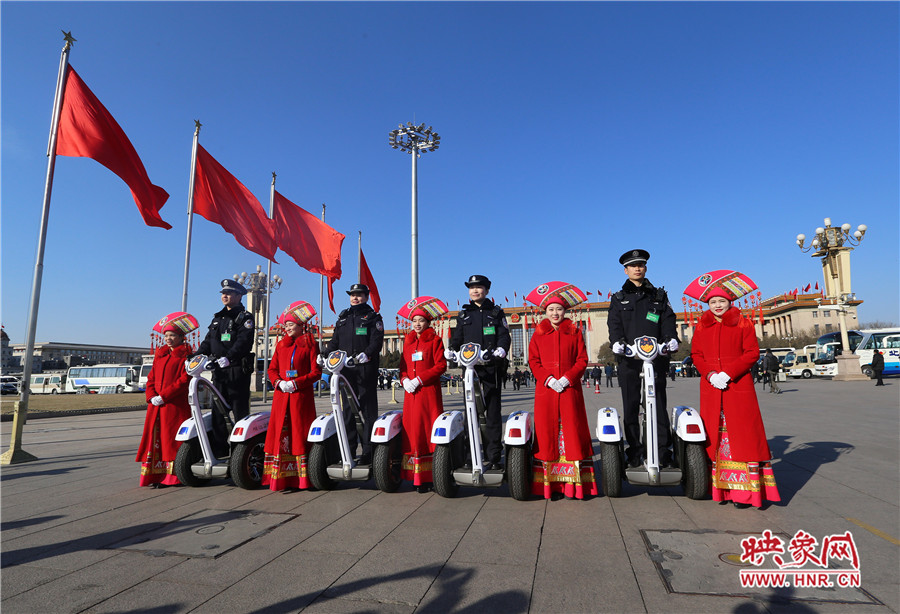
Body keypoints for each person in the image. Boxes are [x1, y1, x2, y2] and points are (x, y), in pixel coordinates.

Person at [685, 269, 780, 509]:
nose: (717, 305)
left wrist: (729, 373)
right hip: (712, 389)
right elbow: (696, 354)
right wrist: (710, 374)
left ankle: (745, 494)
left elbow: (752, 353)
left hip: (737, 386)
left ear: (730, 301)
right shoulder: (702, 326)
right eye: (713, 302)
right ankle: (722, 490)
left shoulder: (743, 323)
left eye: (721, 301)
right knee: (716, 439)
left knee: (744, 438)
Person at [526, 281, 597, 500]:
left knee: (571, 434)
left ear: (565, 311)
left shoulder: (574, 332)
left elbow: (582, 359)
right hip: (546, 392)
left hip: (569, 390)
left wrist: (568, 378)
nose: (555, 313)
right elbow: (533, 360)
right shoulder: (538, 334)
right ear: (545, 312)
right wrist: (547, 379)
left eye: (559, 309)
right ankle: (551, 486)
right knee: (548, 436)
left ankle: (572, 486)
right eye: (551, 309)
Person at [607, 249, 678, 468]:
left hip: (655, 359)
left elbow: (668, 320)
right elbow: (614, 324)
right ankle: (635, 451)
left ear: (645, 268)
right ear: (626, 270)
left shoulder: (658, 296)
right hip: (629, 360)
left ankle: (662, 451)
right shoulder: (619, 298)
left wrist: (671, 339)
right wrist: (616, 342)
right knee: (630, 407)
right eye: (633, 266)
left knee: (658, 404)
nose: (637, 268)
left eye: (641, 265)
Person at [448, 275, 511, 470]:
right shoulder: (464, 314)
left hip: (491, 368)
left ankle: (493, 456)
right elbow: (457, 338)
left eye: (479, 287)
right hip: (471, 369)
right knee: (470, 412)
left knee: (492, 412)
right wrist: (451, 350)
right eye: (472, 287)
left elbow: (504, 336)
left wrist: (501, 349)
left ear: (487, 290)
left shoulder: (496, 312)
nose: (475, 291)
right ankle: (470, 455)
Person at [323, 283, 384, 465]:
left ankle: (368, 453)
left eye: (359, 295)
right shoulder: (344, 317)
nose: (355, 298)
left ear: (366, 297)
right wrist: (325, 354)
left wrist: (367, 353)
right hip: (345, 372)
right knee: (348, 412)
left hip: (365, 370)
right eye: (352, 295)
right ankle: (348, 451)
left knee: (367, 411)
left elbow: (377, 341)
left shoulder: (373, 317)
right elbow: (335, 342)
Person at [264, 300, 321, 492]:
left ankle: (302, 479)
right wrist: (279, 382)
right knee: (281, 435)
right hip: (281, 397)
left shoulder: (311, 345)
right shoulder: (281, 345)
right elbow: (272, 369)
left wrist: (296, 383)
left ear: (301, 325)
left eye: (291, 325)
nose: (287, 328)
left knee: (299, 434)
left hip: (300, 398)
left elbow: (316, 373)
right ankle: (281, 479)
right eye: (286, 325)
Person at [136, 312, 198, 487]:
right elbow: (151, 378)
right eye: (166, 336)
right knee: (155, 439)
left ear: (181, 337)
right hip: (156, 406)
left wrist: (164, 396)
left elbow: (184, 380)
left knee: (171, 440)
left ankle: (172, 477)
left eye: (172, 335)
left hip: (174, 405)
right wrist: (151, 396)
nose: (168, 339)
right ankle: (154, 476)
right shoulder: (161, 355)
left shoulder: (186, 357)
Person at [196, 279, 255, 457]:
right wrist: (196, 356)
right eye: (223, 293)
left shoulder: (244, 317)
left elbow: (244, 342)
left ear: (239, 296)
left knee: (239, 413)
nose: (224, 296)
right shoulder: (218, 318)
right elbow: (208, 341)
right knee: (218, 413)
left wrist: (229, 358)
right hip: (219, 373)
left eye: (229, 293)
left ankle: (240, 454)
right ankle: (219, 452)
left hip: (236, 371)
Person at [398, 296, 449, 492]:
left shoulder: (435, 340)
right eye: (414, 321)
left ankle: (430, 476)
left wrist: (420, 379)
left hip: (428, 393)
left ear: (428, 323)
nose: (417, 324)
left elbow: (441, 365)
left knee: (428, 432)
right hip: (411, 395)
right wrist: (404, 380)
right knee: (412, 432)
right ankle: (414, 476)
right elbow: (403, 366)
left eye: (421, 321)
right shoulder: (408, 343)